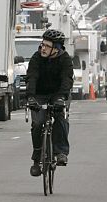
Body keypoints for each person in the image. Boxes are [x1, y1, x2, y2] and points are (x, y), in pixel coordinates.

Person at [26, 29, 73, 177]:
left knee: (61, 118)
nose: (43, 48)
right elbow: (31, 77)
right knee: (38, 123)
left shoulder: (65, 59)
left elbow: (67, 79)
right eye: (42, 44)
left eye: (47, 46)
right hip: (39, 94)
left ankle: (61, 152)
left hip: (59, 94)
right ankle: (37, 158)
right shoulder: (36, 57)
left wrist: (61, 98)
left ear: (56, 48)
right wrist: (31, 97)